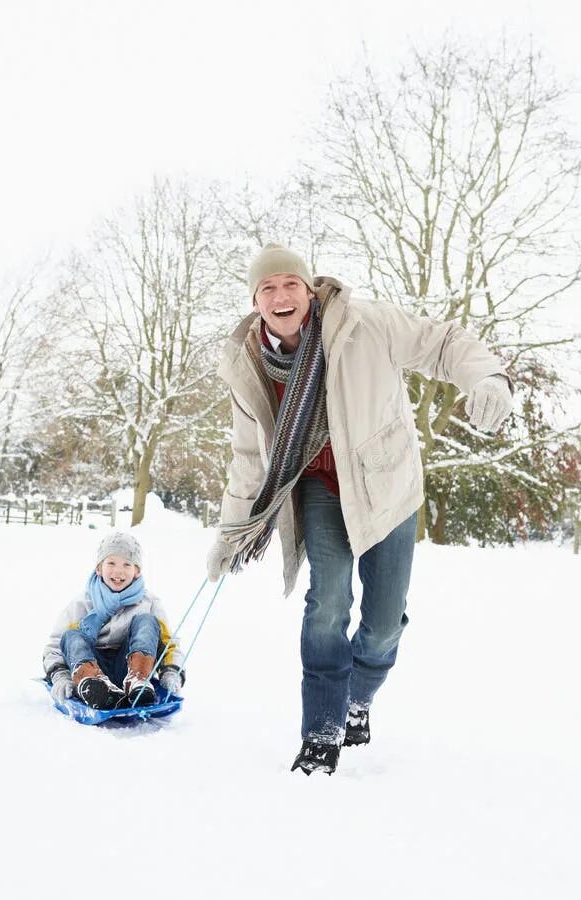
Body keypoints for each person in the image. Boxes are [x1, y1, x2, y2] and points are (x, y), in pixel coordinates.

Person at [207, 242, 513, 776]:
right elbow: (249, 456)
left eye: (291, 285)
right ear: (255, 299)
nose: (281, 296)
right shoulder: (248, 362)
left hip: (384, 483)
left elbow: (441, 343)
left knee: (383, 625)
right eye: (268, 288)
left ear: (309, 288)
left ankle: (358, 698)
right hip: (320, 489)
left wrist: (486, 378)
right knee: (327, 601)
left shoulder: (363, 323)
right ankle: (322, 730)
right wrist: (231, 533)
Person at [43, 532, 185, 710]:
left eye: (127, 564)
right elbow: (57, 645)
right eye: (111, 563)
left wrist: (172, 671)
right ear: (98, 568)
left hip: (131, 667)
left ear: (137, 571)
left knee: (147, 622)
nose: (118, 571)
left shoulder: (149, 602)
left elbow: (169, 643)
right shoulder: (82, 603)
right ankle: (93, 685)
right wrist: (60, 675)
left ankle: (138, 681)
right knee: (72, 636)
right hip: (93, 665)